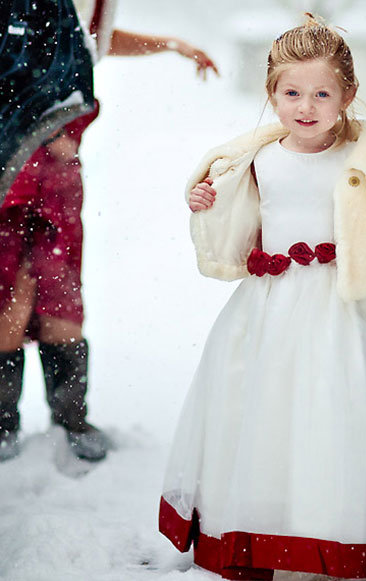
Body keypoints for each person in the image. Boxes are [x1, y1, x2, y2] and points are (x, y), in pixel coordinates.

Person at [159, 14, 366, 581]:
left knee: (347, 406)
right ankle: (268, 519)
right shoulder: (253, 160)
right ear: (271, 94)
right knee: (267, 410)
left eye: (321, 93)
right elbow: (236, 230)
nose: (305, 106)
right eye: (291, 93)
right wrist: (207, 200)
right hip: (270, 307)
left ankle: (347, 526)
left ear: (348, 95)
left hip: (349, 305)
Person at [0, 7, 218, 463]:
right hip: (13, 168)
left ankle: (70, 418)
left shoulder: (80, 9)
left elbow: (91, 41)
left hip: (58, 179)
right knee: (11, 295)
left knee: (61, 292)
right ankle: (4, 423)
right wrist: (38, 127)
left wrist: (170, 44)